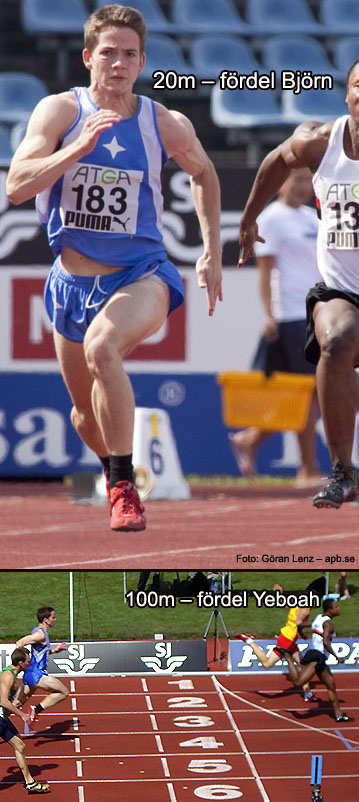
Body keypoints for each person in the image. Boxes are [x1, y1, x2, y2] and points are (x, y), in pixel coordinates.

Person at [6, 4, 222, 532]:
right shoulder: (57, 113)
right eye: (109, 53)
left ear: (143, 61)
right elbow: (16, 187)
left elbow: (205, 172)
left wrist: (211, 248)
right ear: (88, 58)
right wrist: (76, 149)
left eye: (129, 54)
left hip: (141, 275)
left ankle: (123, 488)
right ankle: (113, 470)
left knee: (104, 346)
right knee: (84, 413)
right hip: (70, 282)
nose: (119, 63)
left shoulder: (162, 121)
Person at [238, 58, 359, 508]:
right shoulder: (321, 141)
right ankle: (341, 471)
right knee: (336, 340)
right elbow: (275, 160)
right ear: (347, 94)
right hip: (341, 290)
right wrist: (249, 217)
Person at [229, 168, 322, 487]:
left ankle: (251, 439)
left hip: (319, 314)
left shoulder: (313, 217)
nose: (302, 187)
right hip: (291, 316)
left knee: (317, 393)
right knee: (308, 393)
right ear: (281, 181)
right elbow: (265, 274)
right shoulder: (271, 218)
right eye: (296, 179)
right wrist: (270, 314)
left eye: (308, 180)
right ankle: (307, 469)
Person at [277, 599, 354, 722]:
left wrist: (304, 635)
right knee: (298, 682)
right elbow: (326, 642)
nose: (338, 608)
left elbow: (300, 625)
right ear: (330, 610)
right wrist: (336, 656)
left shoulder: (319, 618)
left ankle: (339, 715)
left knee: (331, 684)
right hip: (318, 657)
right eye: (336, 607)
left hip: (317, 656)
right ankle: (287, 657)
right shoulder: (328, 623)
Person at [235, 603, 318, 701]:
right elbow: (298, 624)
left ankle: (307, 693)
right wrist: (315, 623)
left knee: (302, 665)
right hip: (287, 640)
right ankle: (249, 640)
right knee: (267, 664)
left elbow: (287, 608)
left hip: (290, 639)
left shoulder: (297, 605)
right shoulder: (305, 610)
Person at [0, 647, 50, 794]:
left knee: (20, 745)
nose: (31, 663)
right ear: (21, 663)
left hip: (2, 718)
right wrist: (21, 714)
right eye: (29, 661)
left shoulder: (12, 674)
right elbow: (3, 701)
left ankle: (30, 783)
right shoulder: (8, 676)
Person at [15, 606, 68, 725]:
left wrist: (54, 650)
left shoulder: (39, 631)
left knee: (15, 704)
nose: (55, 619)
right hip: (37, 674)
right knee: (63, 692)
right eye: (53, 617)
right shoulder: (40, 635)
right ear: (46, 620)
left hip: (31, 674)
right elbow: (20, 643)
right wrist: (22, 661)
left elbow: (40, 652)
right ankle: (36, 710)